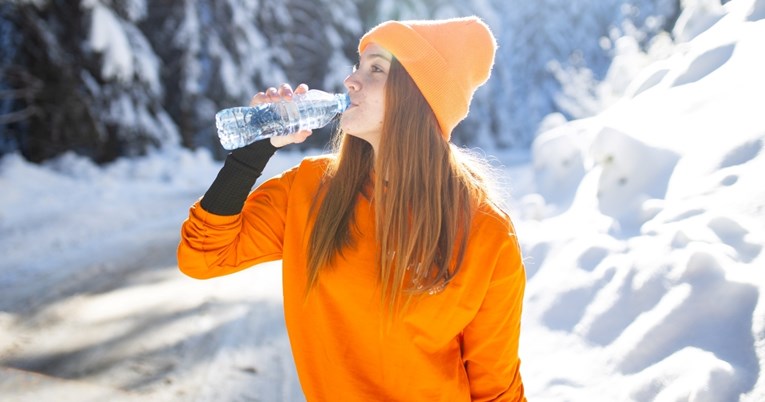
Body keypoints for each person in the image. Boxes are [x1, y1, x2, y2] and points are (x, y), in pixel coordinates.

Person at [178, 16, 527, 402]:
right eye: (357, 66)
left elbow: (497, 390)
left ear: (418, 96)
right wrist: (255, 147)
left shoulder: (485, 232)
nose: (351, 81)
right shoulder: (312, 190)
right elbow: (202, 256)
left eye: (376, 68)